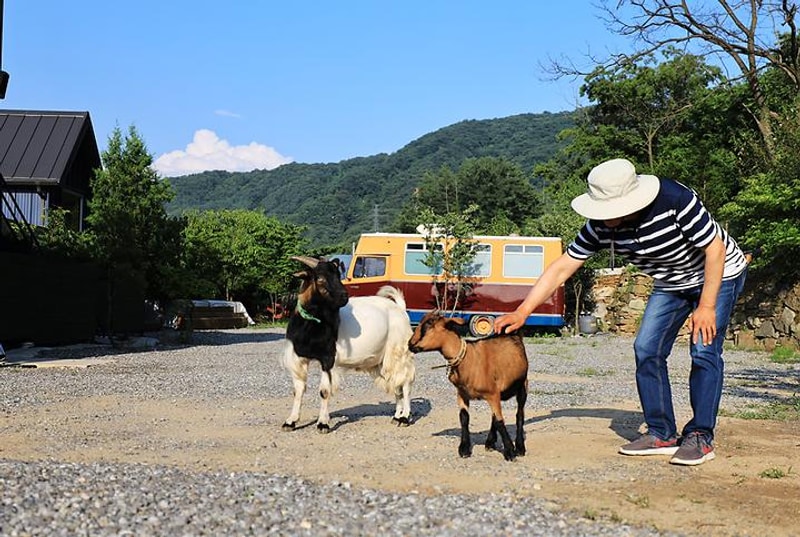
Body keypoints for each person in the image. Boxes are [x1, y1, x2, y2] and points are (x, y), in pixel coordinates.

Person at [494, 158, 748, 466]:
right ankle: (661, 432)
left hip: (718, 274)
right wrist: (523, 311)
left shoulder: (675, 200)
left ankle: (700, 436)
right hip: (670, 281)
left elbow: (715, 249)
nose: (607, 217)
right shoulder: (599, 226)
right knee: (646, 348)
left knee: (704, 349)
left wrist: (706, 306)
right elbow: (562, 268)